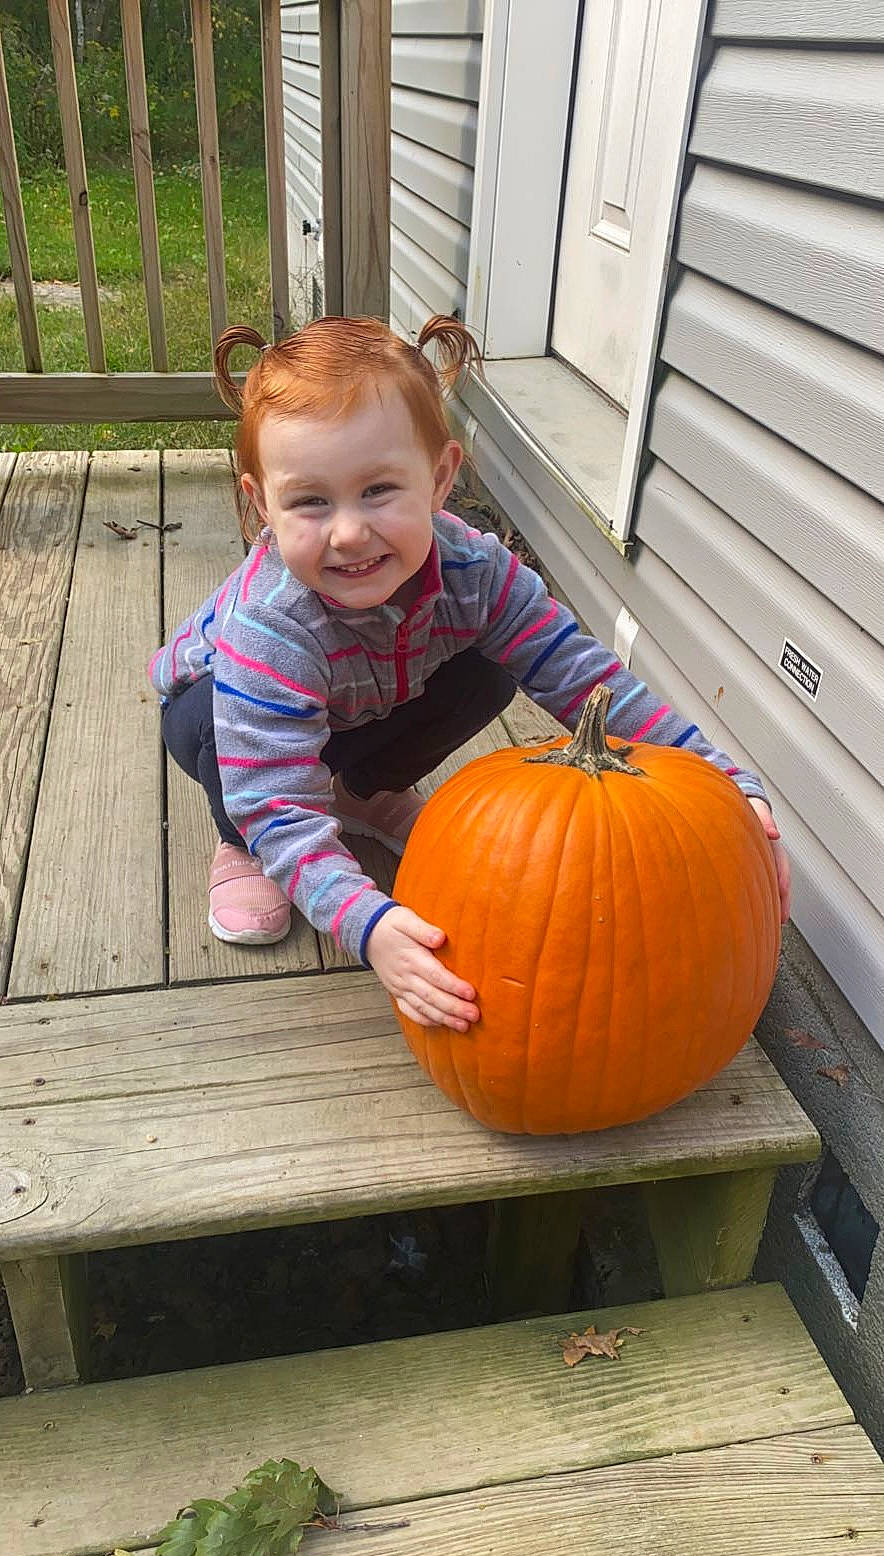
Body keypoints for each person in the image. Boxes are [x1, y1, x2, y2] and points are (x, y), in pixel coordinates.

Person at [151, 313, 791, 1036]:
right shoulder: (273, 624)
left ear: (441, 477)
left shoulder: (476, 574)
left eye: (380, 490)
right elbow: (276, 796)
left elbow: (588, 681)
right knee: (222, 735)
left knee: (490, 670)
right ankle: (235, 843)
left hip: (361, 702)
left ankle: (364, 790)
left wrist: (725, 782)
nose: (350, 531)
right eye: (311, 501)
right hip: (225, 725)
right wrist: (368, 924)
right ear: (262, 504)